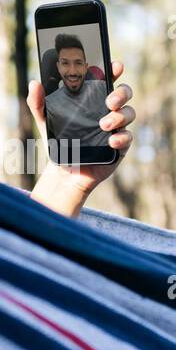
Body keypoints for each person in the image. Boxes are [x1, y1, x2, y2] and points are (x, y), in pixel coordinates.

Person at [27, 44, 135, 219]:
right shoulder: (52, 103)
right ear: (58, 68)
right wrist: (62, 177)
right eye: (65, 63)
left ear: (86, 66)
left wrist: (70, 184)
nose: (72, 70)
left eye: (78, 63)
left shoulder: (100, 91)